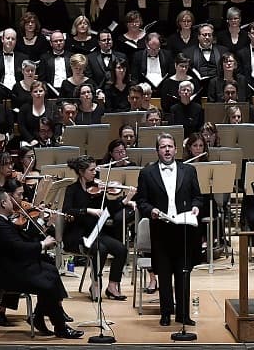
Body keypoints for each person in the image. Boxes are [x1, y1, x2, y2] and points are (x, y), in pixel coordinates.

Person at [0, 188, 82, 338]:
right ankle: (59, 327)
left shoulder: (3, 222)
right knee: (48, 284)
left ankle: (39, 317)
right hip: (10, 274)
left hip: (16, 266)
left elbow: (22, 238)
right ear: (3, 203)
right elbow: (18, 247)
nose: (14, 202)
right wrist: (42, 245)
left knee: (50, 270)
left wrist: (42, 224)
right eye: (10, 200)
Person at [134, 133, 203, 327]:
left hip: (184, 230)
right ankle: (165, 314)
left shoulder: (189, 170)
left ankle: (183, 314)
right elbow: (141, 201)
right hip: (161, 230)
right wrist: (151, 211)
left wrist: (196, 207)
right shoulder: (147, 173)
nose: (167, 150)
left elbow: (198, 196)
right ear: (157, 150)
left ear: (175, 149)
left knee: (183, 273)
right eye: (163, 146)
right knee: (163, 274)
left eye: (170, 146)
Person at [62, 157, 131, 302]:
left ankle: (112, 286)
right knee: (101, 249)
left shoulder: (98, 190)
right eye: (92, 170)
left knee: (121, 250)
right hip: (77, 235)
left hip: (95, 232)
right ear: (81, 172)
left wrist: (125, 200)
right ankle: (95, 284)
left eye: (95, 169)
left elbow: (108, 209)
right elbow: (68, 211)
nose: (95, 172)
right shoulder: (72, 190)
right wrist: (88, 210)